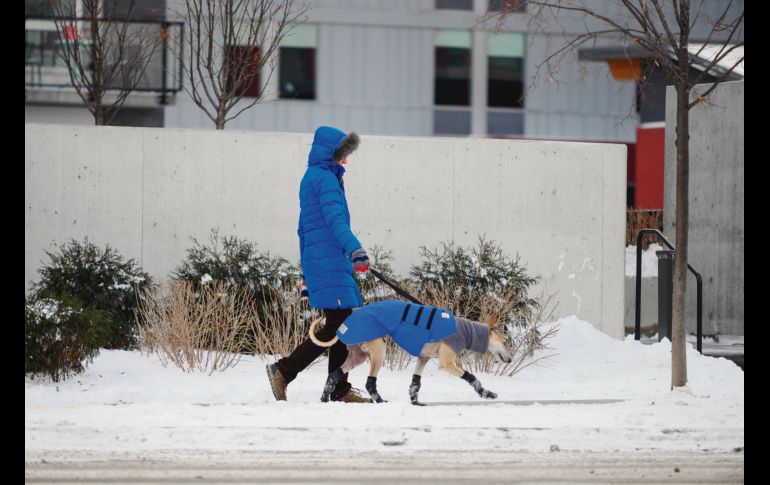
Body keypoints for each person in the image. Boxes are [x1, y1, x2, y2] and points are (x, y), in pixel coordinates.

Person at [266, 125, 372, 403]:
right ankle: (285, 370)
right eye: (342, 154)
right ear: (331, 153)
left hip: (324, 261)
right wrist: (356, 250)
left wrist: (306, 273)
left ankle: (336, 388)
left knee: (342, 323)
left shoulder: (312, 177)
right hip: (329, 261)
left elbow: (303, 230)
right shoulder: (324, 180)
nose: (346, 160)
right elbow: (336, 222)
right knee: (338, 324)